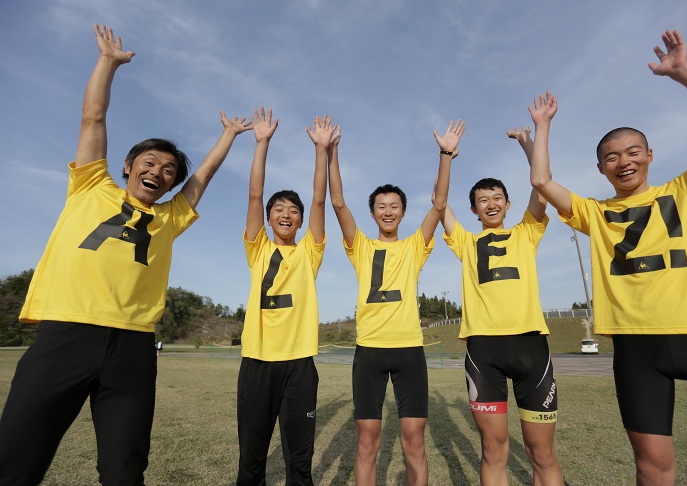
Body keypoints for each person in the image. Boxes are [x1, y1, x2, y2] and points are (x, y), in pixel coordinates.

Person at [0, 24, 252, 485]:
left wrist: (230, 135)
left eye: (168, 170)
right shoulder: (90, 187)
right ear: (128, 167)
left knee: (124, 466)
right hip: (65, 335)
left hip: (133, 347)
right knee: (16, 457)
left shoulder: (170, 218)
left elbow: (206, 176)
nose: (158, 171)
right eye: (149, 162)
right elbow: (92, 118)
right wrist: (108, 63)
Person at [528, 30, 687, 485]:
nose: (624, 161)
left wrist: (684, 72)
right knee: (652, 468)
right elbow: (541, 181)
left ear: (650, 155)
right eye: (611, 157)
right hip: (637, 345)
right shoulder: (594, 214)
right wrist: (543, 126)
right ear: (600, 168)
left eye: (632, 152)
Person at [328, 119, 465, 486]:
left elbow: (439, 204)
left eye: (394, 206)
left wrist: (446, 155)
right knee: (367, 443)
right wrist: (332, 151)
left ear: (403, 212)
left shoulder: (414, 247)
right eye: (381, 207)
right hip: (369, 351)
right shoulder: (360, 246)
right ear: (372, 212)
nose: (388, 212)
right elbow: (337, 201)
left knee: (414, 443)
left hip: (408, 351)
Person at [438, 125, 564, 485]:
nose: (491, 204)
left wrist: (530, 142)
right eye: (483, 200)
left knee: (542, 453)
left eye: (497, 198)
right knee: (493, 450)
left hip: (530, 348)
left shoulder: (527, 231)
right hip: (484, 352)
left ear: (508, 204)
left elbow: (542, 183)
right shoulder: (464, 242)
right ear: (474, 209)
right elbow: (439, 203)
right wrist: (445, 157)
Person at [237, 108, 335, 486]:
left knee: (300, 460)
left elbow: (320, 200)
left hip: (299, 364)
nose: (287, 213)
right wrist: (261, 143)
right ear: (267, 218)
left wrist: (321, 151)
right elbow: (254, 193)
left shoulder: (310, 251)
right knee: (251, 458)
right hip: (257, 362)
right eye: (279, 209)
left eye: (293, 211)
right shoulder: (257, 247)